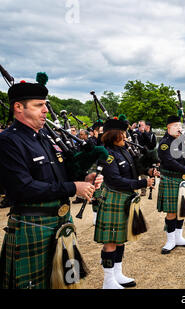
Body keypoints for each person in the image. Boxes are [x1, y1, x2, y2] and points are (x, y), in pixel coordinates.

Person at [0, 76, 103, 289]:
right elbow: (22, 188)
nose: (45, 109)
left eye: (45, 104)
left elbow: (61, 172)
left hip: (61, 222)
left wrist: (84, 179)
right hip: (33, 225)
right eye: (39, 105)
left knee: (67, 281)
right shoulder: (8, 141)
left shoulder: (45, 137)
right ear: (18, 108)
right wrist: (73, 188)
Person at [94, 116, 156, 289]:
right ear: (114, 135)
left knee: (120, 239)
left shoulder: (124, 150)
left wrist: (149, 170)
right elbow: (115, 180)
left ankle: (117, 274)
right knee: (111, 242)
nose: (126, 137)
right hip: (115, 197)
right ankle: (108, 281)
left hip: (125, 198)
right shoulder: (107, 154)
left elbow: (135, 168)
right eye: (123, 133)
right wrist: (142, 183)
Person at [156, 116, 185, 254]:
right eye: (176, 126)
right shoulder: (165, 143)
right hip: (171, 179)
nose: (179, 129)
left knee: (181, 209)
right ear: (168, 128)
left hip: (182, 180)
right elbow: (169, 161)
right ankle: (170, 240)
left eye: (180, 126)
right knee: (171, 212)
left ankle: (179, 237)